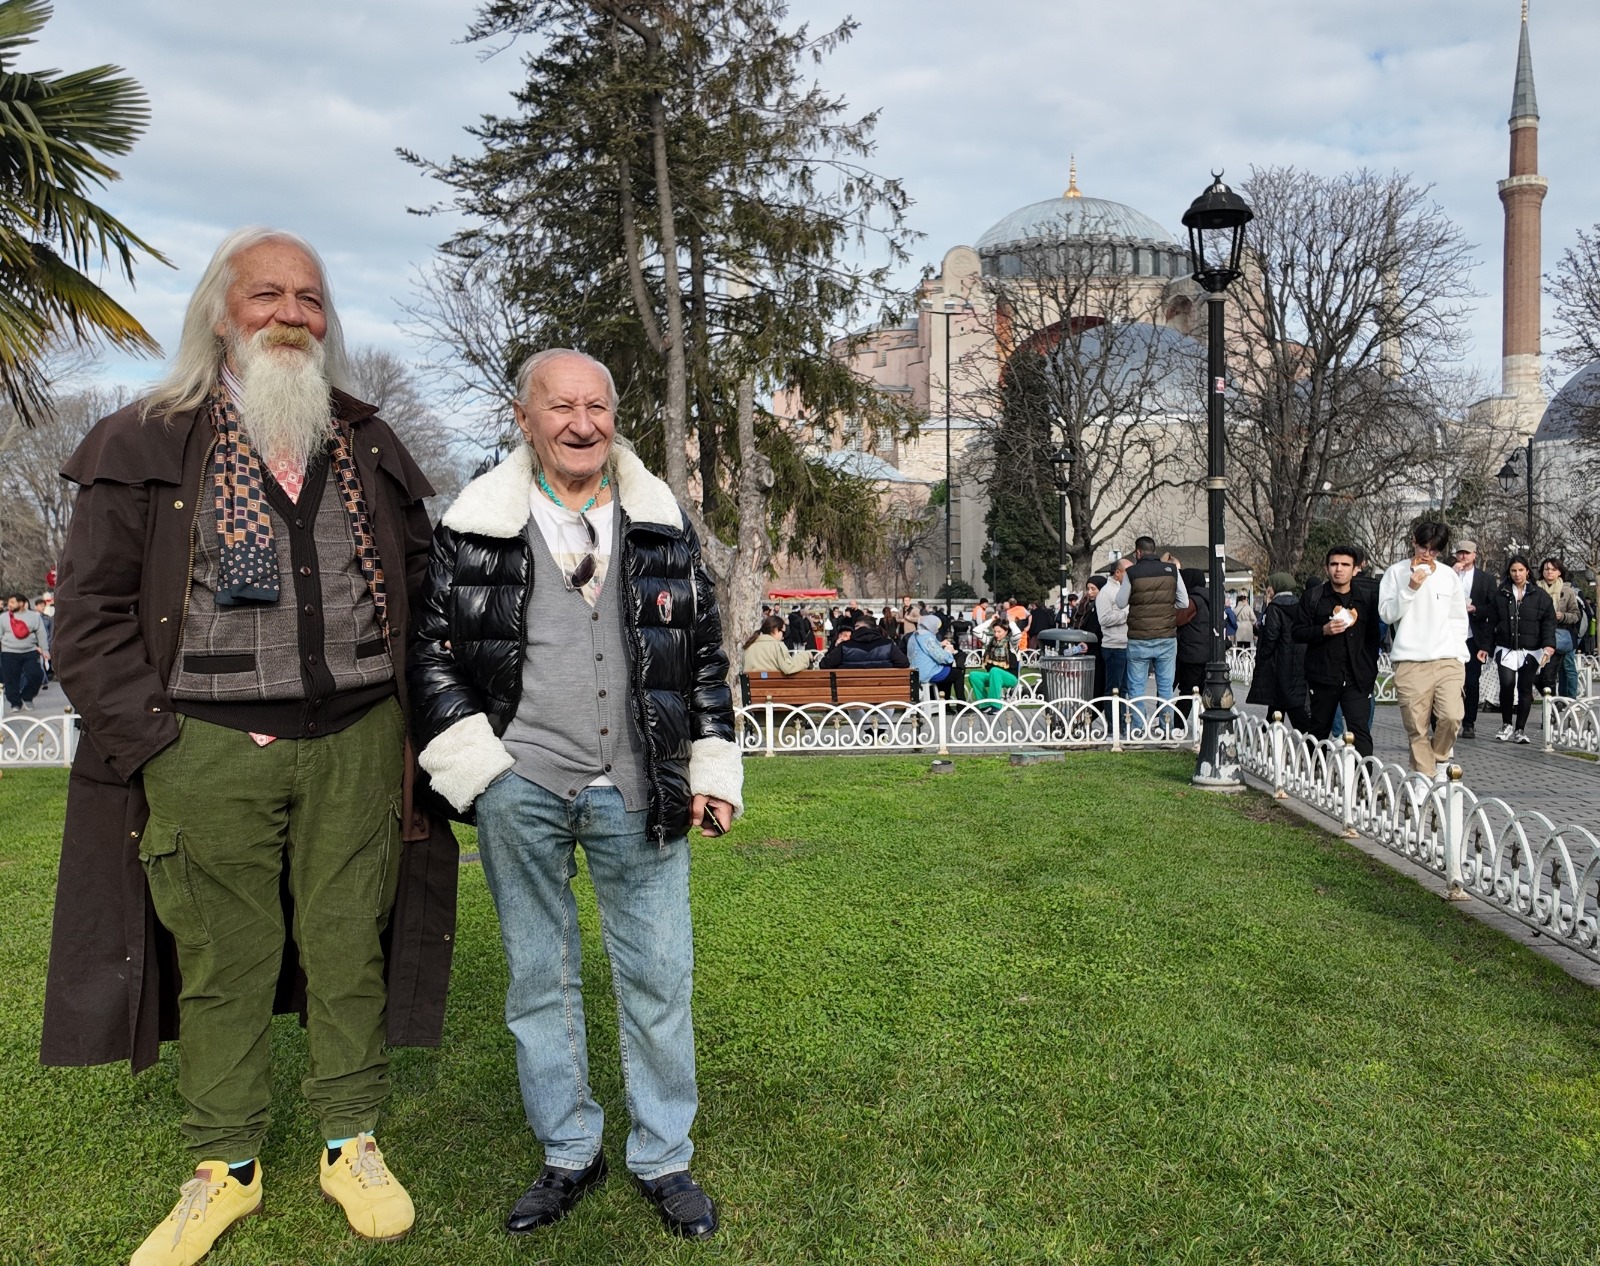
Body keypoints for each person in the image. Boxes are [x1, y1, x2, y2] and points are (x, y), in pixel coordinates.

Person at [41, 227, 458, 1266]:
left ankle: (347, 1139)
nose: (290, 315)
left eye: (309, 298)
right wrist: (155, 741)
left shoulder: (363, 440)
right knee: (224, 956)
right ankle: (224, 1165)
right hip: (207, 746)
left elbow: (425, 587)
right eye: (266, 295)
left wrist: (420, 725)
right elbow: (86, 615)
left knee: (347, 942)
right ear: (221, 313)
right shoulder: (143, 439)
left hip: (358, 738)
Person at [411, 349, 740, 1242]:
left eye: (597, 405)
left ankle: (664, 1156)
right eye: (561, 407)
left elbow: (703, 659)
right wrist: (483, 771)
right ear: (525, 417)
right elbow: (434, 653)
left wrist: (709, 768)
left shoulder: (662, 522)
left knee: (660, 974)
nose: (582, 423)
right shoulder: (474, 523)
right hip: (522, 782)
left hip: (641, 784)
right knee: (537, 977)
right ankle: (568, 1151)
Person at [1378, 521, 1470, 777]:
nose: (1427, 554)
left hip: (1447, 658)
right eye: (1423, 547)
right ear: (1414, 542)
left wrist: (1459, 652)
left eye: (1434, 550)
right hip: (1409, 659)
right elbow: (1386, 614)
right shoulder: (1395, 573)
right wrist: (1410, 588)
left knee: (1452, 717)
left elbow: (1457, 617)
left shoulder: (1447, 575)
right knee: (1416, 727)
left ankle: (1439, 762)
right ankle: (1422, 776)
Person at [1294, 547, 1381, 756]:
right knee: (1318, 730)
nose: (1338, 570)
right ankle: (1315, 777)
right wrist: (1322, 630)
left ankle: (1364, 782)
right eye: (1334, 564)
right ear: (1326, 568)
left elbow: (1373, 638)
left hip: (1356, 678)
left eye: (1345, 565)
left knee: (1360, 732)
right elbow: (1297, 632)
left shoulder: (1366, 599)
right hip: (1323, 676)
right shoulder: (1313, 597)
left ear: (1355, 570)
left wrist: (1369, 670)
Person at [1115, 536, 1189, 707]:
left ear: (1138, 553)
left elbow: (1120, 603)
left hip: (1139, 638)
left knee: (1136, 688)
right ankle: (1166, 729)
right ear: (1154, 551)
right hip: (1166, 636)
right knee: (1165, 688)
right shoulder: (1172, 570)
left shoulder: (1132, 573)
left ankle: (1139, 729)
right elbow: (1184, 602)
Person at [1491, 556, 1556, 743]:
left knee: (1525, 688)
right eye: (1513, 571)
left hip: (1531, 649)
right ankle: (1506, 724)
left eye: (1520, 570)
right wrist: (1486, 646)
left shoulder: (1539, 595)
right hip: (1506, 648)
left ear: (1527, 571)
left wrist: (1548, 644)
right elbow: (1492, 621)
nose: (1517, 574)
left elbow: (1549, 621)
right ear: (1509, 572)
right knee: (1506, 684)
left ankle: (1520, 729)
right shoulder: (1501, 593)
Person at [1246, 572, 1309, 730]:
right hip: (1298, 658)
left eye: (1270, 585)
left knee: (1290, 704)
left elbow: (1271, 636)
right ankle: (1265, 735)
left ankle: (1309, 741)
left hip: (1278, 660)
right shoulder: (1300, 604)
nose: (1268, 588)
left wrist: (1262, 656)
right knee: (1279, 702)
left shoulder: (1275, 608)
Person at [1452, 540, 1495, 738]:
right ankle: (1447, 719)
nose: (1463, 557)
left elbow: (1493, 609)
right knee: (1449, 681)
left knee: (1471, 681)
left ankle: (1469, 722)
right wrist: (1452, 572)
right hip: (1450, 634)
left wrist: (1476, 609)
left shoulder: (1485, 579)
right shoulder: (1447, 574)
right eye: (1460, 553)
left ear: (1474, 555)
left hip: (1473, 635)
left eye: (1467, 553)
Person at [1538, 557, 1582, 698]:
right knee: (1540, 675)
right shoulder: (1536, 589)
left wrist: (1562, 616)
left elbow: (1576, 615)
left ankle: (1566, 701)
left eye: (1553, 569)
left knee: (1564, 670)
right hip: (1539, 636)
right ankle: (1553, 702)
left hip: (1560, 636)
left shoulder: (1567, 591)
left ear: (1559, 572)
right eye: (1546, 569)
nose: (1549, 572)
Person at [1174, 568, 1211, 723]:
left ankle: (1176, 726)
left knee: (1188, 692)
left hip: (1192, 654)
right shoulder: (1210, 597)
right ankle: (1205, 725)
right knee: (1204, 691)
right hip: (1207, 652)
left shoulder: (1193, 600)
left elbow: (1178, 619)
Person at [2, 591, 49, 710]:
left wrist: (45, 650)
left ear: (22, 603)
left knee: (36, 675)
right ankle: (15, 703)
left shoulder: (34, 617)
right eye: (9, 603)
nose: (9, 605)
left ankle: (27, 697)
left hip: (30, 651)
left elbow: (41, 633)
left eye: (12, 602)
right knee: (11, 679)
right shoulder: (3, 617)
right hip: (9, 652)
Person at [1096, 559, 1131, 709]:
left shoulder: (1126, 588)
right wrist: (1125, 614)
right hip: (1114, 646)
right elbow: (1103, 619)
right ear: (1118, 573)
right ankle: (1113, 726)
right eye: (1129, 572)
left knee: (1124, 689)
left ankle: (1123, 723)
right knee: (1114, 689)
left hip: (1126, 643)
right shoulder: (1106, 592)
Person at [818, 614, 909, 669]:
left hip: (849, 696)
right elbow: (904, 663)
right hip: (883, 695)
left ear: (857, 627)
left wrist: (835, 646)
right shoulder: (888, 645)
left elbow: (824, 664)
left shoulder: (844, 646)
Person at [967, 613, 1021, 705]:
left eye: (999, 632)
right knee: (973, 675)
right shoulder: (990, 641)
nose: (996, 634)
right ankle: (985, 705)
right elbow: (976, 631)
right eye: (995, 631)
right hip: (993, 676)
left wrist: (1011, 622)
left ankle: (995, 705)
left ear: (1006, 631)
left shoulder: (1011, 643)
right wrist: (990, 620)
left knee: (995, 670)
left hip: (1010, 678)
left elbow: (1018, 635)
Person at [907, 611, 957, 697]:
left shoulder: (913, 636)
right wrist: (949, 652)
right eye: (936, 626)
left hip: (914, 673)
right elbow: (941, 657)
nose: (937, 630)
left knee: (949, 672)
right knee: (957, 673)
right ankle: (959, 704)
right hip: (927, 673)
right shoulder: (927, 637)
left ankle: (942, 701)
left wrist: (940, 644)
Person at [743, 615, 810, 676]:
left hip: (752, 688)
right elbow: (788, 667)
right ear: (775, 630)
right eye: (783, 632)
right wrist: (805, 656)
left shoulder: (750, 646)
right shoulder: (777, 646)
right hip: (773, 688)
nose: (783, 636)